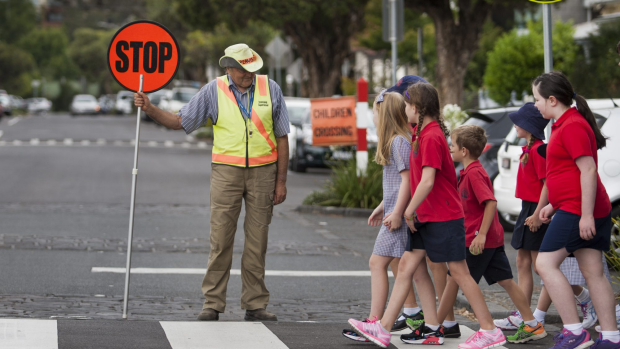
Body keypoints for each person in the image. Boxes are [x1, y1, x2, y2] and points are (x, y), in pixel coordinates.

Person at [133, 43, 290, 322]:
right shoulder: (212, 90)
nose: (249, 75)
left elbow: (282, 137)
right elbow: (179, 122)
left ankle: (255, 305)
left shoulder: (271, 88)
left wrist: (281, 182)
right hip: (226, 172)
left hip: (264, 173)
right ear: (229, 67)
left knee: (258, 241)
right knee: (220, 239)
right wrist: (149, 107)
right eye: (243, 70)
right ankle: (213, 303)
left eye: (252, 69)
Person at [348, 82, 505, 349]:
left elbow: (427, 181)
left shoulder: (431, 137)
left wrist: (406, 211)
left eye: (408, 106)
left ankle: (490, 330)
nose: (405, 110)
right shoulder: (423, 135)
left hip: (442, 216)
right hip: (427, 217)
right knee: (408, 268)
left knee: (459, 273)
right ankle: (383, 329)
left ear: (417, 109)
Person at [430, 124, 546, 344]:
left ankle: (435, 327)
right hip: (490, 238)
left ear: (464, 151)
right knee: (506, 281)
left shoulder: (474, 173)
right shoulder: (469, 172)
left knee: (454, 279)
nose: (449, 148)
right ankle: (532, 324)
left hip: (478, 239)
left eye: (452, 145)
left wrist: (480, 235)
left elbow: (491, 202)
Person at [493, 103, 605, 331]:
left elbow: (547, 185)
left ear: (528, 126)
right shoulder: (529, 149)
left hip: (539, 210)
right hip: (529, 208)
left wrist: (537, 213)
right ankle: (524, 314)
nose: (514, 125)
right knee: (522, 261)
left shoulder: (540, 150)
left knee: (541, 266)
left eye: (518, 121)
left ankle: (572, 304)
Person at [532, 71, 619, 348]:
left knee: (545, 264)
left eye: (537, 99)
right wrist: (552, 205)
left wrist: (586, 215)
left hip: (580, 210)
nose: (535, 104)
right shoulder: (562, 123)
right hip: (572, 207)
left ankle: (574, 331)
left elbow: (588, 169)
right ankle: (611, 337)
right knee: (593, 271)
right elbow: (565, 172)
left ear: (552, 99)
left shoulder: (572, 125)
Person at [343, 77, 427, 343]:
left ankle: (374, 322)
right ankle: (379, 321)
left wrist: (398, 213)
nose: (374, 120)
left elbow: (407, 181)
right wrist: (382, 207)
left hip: (397, 216)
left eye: (376, 114)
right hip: (393, 212)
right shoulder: (397, 141)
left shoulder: (398, 143)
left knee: (376, 263)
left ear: (387, 115)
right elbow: (395, 184)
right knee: (391, 264)